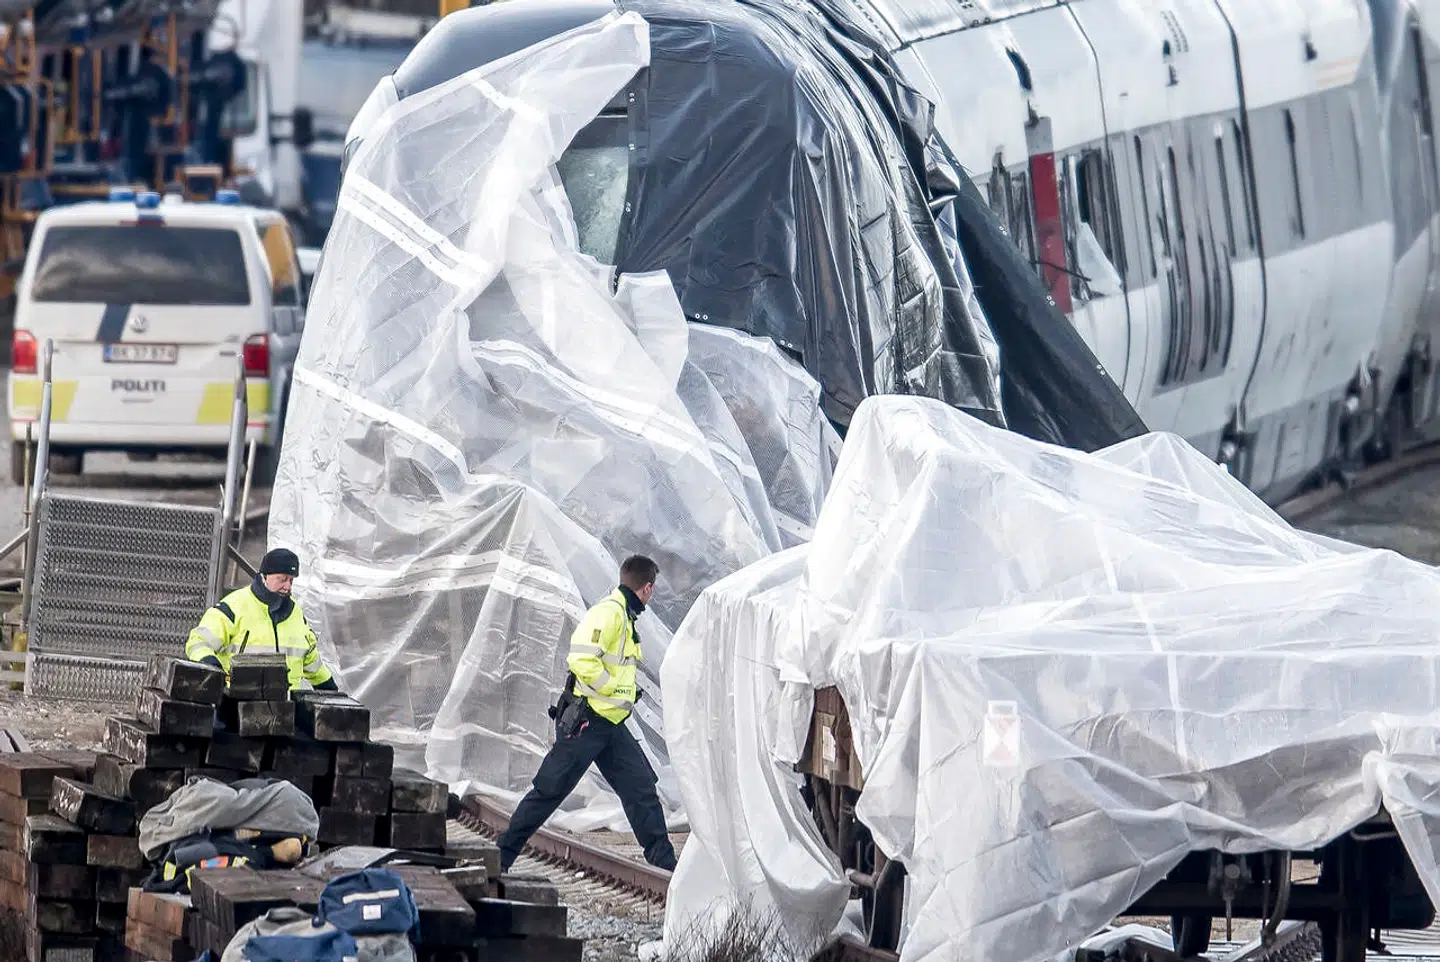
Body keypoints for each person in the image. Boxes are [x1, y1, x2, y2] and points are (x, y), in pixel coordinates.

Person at [497, 555, 678, 872]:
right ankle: (501, 857)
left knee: (641, 789)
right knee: (549, 791)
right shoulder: (610, 614)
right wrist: (616, 690)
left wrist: (618, 695)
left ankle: (665, 867)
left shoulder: (624, 615)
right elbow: (581, 660)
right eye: (653, 588)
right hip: (586, 723)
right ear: (647, 588)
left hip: (609, 724)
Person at [185, 548, 340, 692]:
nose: (287, 586)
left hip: (285, 711)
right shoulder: (234, 607)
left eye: (291, 581)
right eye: (282, 579)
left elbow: (310, 659)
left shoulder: (296, 615)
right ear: (264, 576)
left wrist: (329, 690)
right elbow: (198, 642)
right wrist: (211, 666)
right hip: (234, 708)